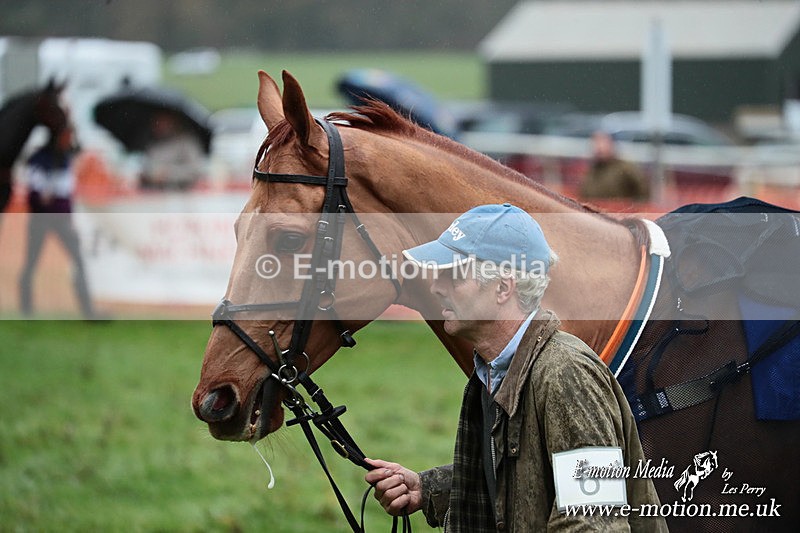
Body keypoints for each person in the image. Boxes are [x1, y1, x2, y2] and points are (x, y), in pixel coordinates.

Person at [365, 204, 666, 531]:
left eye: (453, 274)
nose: (436, 287)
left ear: (503, 287)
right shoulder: (493, 369)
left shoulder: (567, 374)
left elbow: (593, 520)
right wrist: (429, 488)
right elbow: (523, 476)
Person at [19, 125, 97, 318]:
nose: (69, 140)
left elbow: (67, 192)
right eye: (66, 136)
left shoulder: (66, 157)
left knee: (78, 260)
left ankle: (88, 309)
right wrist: (41, 195)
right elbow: (34, 191)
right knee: (31, 262)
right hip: (42, 218)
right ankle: (26, 309)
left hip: (62, 219)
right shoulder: (41, 158)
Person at [580, 130, 649, 201]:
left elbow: (643, 193)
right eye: (596, 142)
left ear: (612, 143)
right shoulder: (591, 171)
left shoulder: (626, 168)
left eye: (603, 142)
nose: (599, 147)